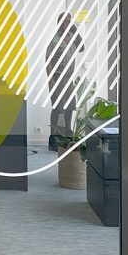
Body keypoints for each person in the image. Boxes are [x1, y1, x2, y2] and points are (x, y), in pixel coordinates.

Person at [46, 13, 84, 151]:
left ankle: (68, 133)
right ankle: (54, 138)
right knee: (58, 108)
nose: (66, 24)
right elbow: (48, 61)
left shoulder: (72, 38)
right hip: (58, 78)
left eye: (68, 21)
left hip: (69, 78)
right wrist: (51, 81)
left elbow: (82, 48)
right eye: (64, 21)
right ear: (59, 23)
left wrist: (76, 31)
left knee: (70, 107)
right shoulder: (55, 40)